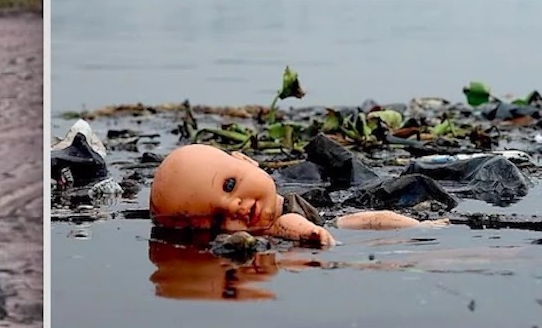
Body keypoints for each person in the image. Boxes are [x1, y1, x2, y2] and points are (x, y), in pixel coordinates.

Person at [149, 143, 449, 247]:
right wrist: (311, 233)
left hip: (344, 206)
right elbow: (289, 226)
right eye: (217, 221)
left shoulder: (299, 186)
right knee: (348, 222)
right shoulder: (273, 227)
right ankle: (423, 227)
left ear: (245, 160)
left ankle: (423, 226)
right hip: (331, 221)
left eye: (229, 186)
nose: (234, 207)